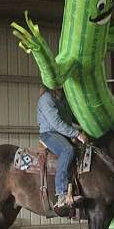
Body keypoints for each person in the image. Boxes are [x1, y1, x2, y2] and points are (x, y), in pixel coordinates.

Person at [37, 85, 88, 213]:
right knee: (67, 150)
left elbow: (73, 117)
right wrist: (77, 134)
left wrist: (87, 124)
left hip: (62, 133)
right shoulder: (46, 99)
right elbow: (57, 123)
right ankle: (62, 194)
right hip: (49, 133)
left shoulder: (64, 99)